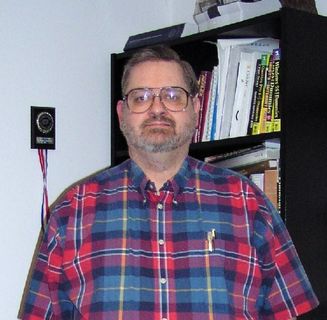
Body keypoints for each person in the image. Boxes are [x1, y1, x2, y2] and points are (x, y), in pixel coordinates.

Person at [22, 45, 318, 319]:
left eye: (173, 95)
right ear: (122, 114)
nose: (157, 108)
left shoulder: (248, 204)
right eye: (141, 97)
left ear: (196, 108)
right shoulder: (71, 213)